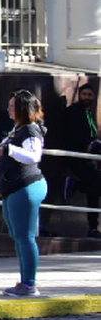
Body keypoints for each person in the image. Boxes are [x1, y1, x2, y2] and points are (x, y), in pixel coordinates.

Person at [0, 89, 47, 297]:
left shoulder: (31, 131)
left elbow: (34, 156)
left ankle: (29, 284)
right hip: (15, 189)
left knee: (25, 237)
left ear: (23, 109)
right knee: (19, 236)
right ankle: (25, 281)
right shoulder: (19, 129)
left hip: (25, 188)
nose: (9, 109)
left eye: (13, 106)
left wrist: (8, 150)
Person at [62, 80, 101, 240]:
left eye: (89, 95)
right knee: (96, 186)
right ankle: (75, 184)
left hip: (90, 158)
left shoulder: (88, 114)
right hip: (77, 157)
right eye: (84, 94)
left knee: (95, 187)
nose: (87, 97)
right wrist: (88, 145)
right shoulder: (74, 112)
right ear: (78, 96)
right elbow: (75, 134)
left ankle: (93, 228)